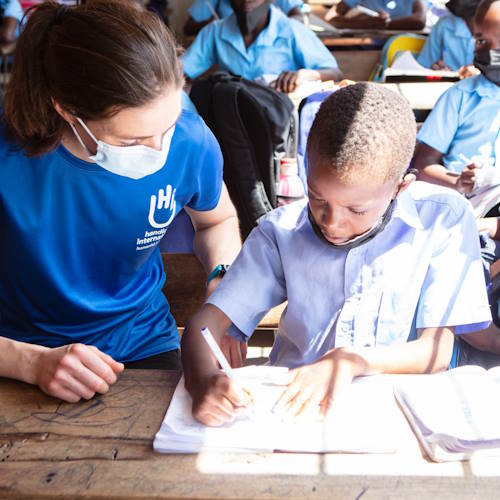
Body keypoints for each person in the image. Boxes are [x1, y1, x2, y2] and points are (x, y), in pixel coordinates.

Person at [180, 82, 490, 426]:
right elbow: (203, 325)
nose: (332, 222)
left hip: (396, 416)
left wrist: (351, 360)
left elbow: (436, 352)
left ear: (400, 187)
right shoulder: (280, 231)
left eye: (356, 209)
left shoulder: (443, 218)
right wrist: (203, 380)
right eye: (317, 198)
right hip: (292, 411)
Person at [0, 0, 242, 403]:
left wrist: (222, 275)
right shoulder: (10, 161)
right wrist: (30, 362)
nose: (159, 150)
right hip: (21, 351)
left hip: (142, 343)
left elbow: (215, 220)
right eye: (131, 141)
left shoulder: (189, 139)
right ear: (67, 110)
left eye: (167, 125)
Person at [181, 0, 342, 94]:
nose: (246, 3)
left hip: (279, 124)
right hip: (233, 123)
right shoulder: (215, 31)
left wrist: (306, 75)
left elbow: (335, 73)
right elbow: (181, 71)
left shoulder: (291, 30)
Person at [416, 0, 481, 78]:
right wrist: (436, 70)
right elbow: (424, 67)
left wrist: (479, 73)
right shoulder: (444, 25)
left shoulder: (494, 26)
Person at [184, 0, 305, 36]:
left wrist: (275, 28)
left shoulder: (286, 28)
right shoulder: (216, 31)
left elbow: (300, 17)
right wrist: (210, 24)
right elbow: (187, 28)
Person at [325, 0, 427, 30]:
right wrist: (366, 23)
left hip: (402, 46)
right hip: (364, 48)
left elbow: (420, 20)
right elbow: (331, 17)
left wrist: (386, 24)